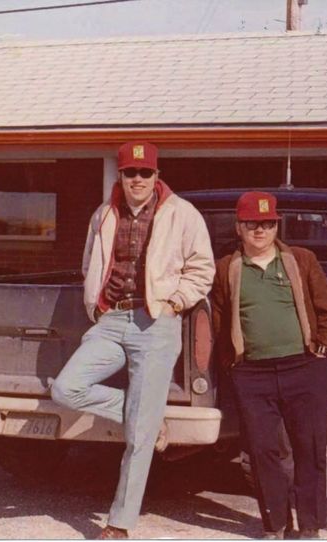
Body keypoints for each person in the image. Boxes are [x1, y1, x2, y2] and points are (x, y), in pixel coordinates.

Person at [50, 141, 215, 539]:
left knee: (137, 440)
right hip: (112, 319)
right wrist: (97, 305)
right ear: (120, 177)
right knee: (66, 389)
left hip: (156, 321)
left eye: (145, 173)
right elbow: (91, 262)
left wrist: (176, 302)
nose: (137, 180)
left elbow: (202, 267)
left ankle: (119, 523)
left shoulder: (182, 213)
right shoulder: (104, 214)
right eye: (130, 173)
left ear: (156, 176)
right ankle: (148, 416)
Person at [210, 191, 327, 539]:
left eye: (267, 223)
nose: (260, 230)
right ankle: (277, 524)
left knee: (309, 448)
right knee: (263, 451)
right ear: (239, 226)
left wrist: (323, 346)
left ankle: (309, 525)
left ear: (275, 226)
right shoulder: (226, 269)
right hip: (252, 374)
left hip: (304, 368)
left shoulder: (301, 259)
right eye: (252, 223)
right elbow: (220, 319)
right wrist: (232, 362)